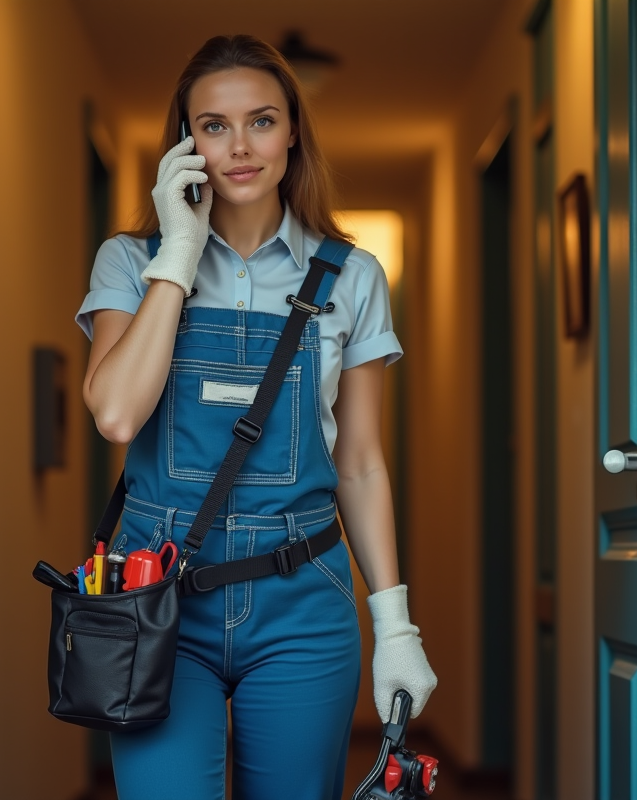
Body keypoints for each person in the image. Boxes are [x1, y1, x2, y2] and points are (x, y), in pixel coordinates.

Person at [76, 34, 437, 800]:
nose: (239, 147)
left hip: (302, 596)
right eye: (213, 126)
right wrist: (177, 252)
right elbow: (114, 413)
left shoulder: (353, 276)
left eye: (262, 121)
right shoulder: (127, 261)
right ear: (185, 142)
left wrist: (395, 624)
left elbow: (362, 461)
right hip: (157, 597)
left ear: (294, 130)